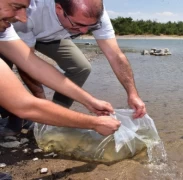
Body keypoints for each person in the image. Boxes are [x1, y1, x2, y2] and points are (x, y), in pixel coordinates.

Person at [1, 0, 147, 135]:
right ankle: (16, 116)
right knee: (7, 83)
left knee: (81, 67)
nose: (23, 17)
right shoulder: (30, 13)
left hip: (52, 38)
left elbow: (34, 65)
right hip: (26, 36)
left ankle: (54, 115)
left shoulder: (95, 13)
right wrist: (93, 123)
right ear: (59, 9)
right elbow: (23, 103)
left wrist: (89, 101)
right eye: (16, 7)